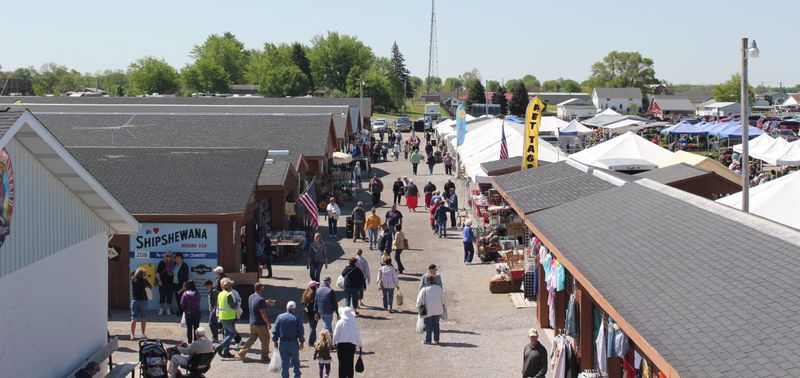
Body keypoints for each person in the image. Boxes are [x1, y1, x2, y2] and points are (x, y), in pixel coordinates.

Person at [272, 301, 305, 378]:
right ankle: (296, 376)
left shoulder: (280, 317)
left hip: (283, 343)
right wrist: (302, 341)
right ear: (294, 308)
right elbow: (300, 331)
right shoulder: (297, 318)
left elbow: (275, 329)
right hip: (293, 343)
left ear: (286, 308)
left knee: (284, 363)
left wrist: (275, 340)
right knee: (295, 362)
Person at [332, 307, 363, 378]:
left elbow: (336, 334)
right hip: (351, 346)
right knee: (350, 363)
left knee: (342, 364)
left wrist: (334, 343)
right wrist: (360, 344)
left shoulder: (339, 322)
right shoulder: (353, 323)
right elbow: (357, 335)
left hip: (341, 346)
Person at [416, 275, 445, 345]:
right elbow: (443, 300)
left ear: (427, 281)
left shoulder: (424, 289)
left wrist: (418, 308)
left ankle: (428, 340)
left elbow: (418, 301)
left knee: (428, 325)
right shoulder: (439, 288)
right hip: (437, 309)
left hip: (427, 310)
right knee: (436, 324)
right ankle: (436, 340)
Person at [216, 278, 240, 358]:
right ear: (229, 287)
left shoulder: (220, 294)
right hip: (229, 317)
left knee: (227, 334)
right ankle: (220, 347)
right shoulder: (228, 294)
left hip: (222, 316)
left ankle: (226, 352)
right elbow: (233, 306)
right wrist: (237, 303)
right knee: (233, 333)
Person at [130, 267, 150, 340]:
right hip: (143, 300)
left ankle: (132, 334)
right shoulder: (144, 281)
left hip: (135, 300)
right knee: (143, 317)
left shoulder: (133, 280)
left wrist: (137, 272)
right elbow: (150, 286)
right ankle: (143, 333)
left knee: (134, 318)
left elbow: (132, 274)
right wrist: (146, 278)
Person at [301, 281, 319, 347]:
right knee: (313, 328)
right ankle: (311, 342)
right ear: (314, 286)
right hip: (314, 313)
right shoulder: (314, 294)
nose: (317, 286)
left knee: (312, 327)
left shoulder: (306, 292)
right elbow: (316, 305)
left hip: (308, 313)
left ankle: (311, 341)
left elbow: (302, 302)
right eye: (316, 285)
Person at [173, 253, 189, 320]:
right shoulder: (174, 265)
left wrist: (183, 288)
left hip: (181, 285)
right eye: (176, 258)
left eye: (179, 258)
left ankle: (183, 312)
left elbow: (185, 278)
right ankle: (180, 310)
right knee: (177, 298)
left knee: (181, 299)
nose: (177, 259)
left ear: (182, 259)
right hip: (175, 284)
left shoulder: (184, 266)